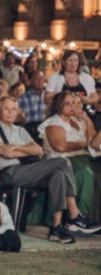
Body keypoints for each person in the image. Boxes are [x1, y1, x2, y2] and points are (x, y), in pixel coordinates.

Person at [0, 96, 99, 244]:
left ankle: (56, 228)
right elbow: (5, 153)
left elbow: (38, 150)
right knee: (63, 162)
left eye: (13, 109)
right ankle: (74, 215)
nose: (11, 112)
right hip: (9, 172)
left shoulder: (20, 130)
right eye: (6, 108)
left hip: (29, 169)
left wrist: (16, 147)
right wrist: (24, 150)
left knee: (58, 174)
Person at [38, 92, 101, 224]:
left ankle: (94, 218)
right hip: (62, 159)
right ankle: (78, 216)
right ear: (58, 105)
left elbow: (92, 142)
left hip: (84, 157)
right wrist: (82, 145)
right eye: (67, 103)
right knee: (85, 174)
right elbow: (60, 146)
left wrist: (87, 120)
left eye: (74, 103)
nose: (72, 106)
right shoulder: (54, 122)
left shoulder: (79, 121)